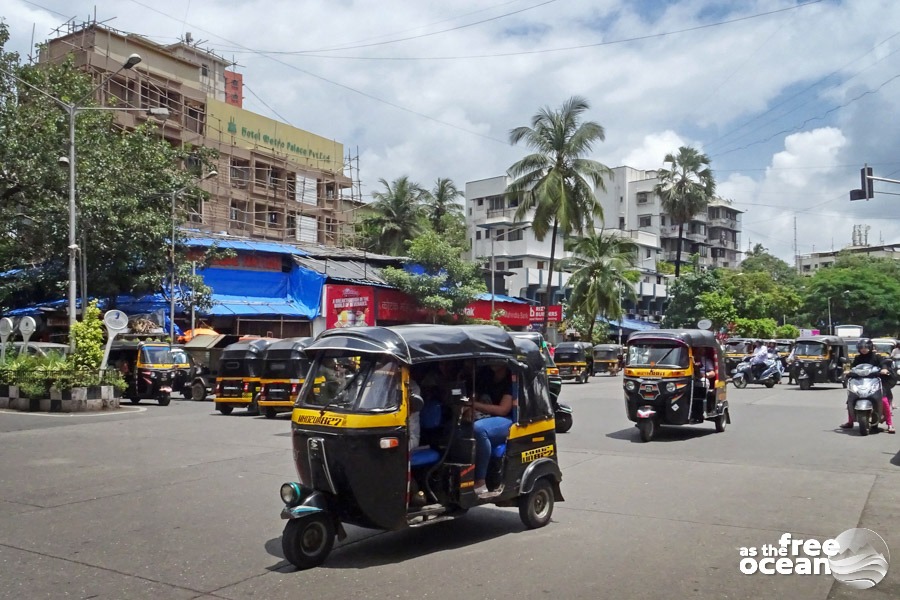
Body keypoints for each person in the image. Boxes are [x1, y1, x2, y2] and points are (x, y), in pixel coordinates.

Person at [471, 363, 514, 497]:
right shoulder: (485, 376)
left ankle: (480, 481)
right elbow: (473, 397)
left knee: (479, 429)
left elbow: (503, 410)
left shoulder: (510, 380)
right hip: (483, 415)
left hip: (507, 420)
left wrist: (475, 405)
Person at [840, 338, 894, 433]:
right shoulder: (857, 358)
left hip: (876, 381)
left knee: (884, 400)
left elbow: (883, 364)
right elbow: (853, 368)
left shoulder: (877, 357)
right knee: (850, 399)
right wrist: (848, 371)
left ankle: (890, 424)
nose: (863, 349)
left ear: (870, 347)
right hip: (860, 381)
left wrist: (884, 369)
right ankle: (850, 422)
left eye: (866, 347)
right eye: (861, 347)